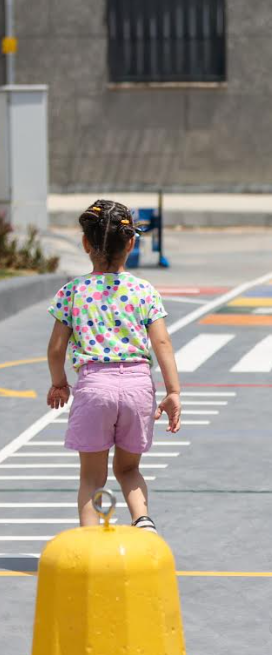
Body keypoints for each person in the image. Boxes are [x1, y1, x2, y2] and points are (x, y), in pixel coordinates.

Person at [46, 200, 182, 532]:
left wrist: (59, 382)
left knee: (92, 477)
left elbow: (56, 349)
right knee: (128, 469)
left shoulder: (73, 292)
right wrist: (173, 391)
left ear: (85, 243)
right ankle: (143, 521)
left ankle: (91, 540)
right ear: (131, 243)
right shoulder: (144, 291)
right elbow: (162, 343)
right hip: (137, 386)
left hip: (95, 387)